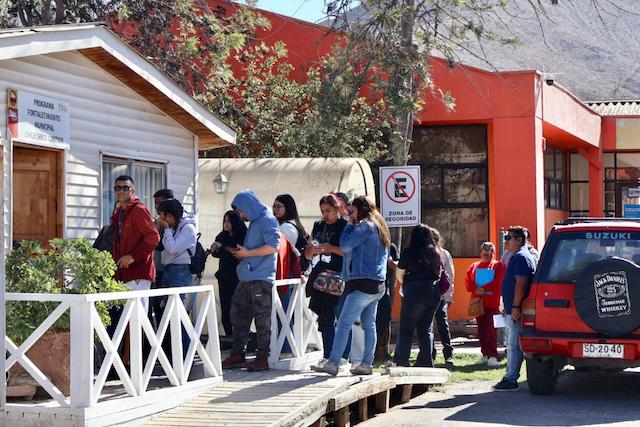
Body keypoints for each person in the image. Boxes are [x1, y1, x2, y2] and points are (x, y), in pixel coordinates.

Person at [318, 196, 390, 376]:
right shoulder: (380, 227)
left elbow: (345, 245)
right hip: (378, 284)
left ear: (361, 209)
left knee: (343, 324)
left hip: (361, 283)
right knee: (369, 325)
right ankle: (366, 364)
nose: (350, 214)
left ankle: (333, 363)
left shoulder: (364, 227)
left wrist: (349, 224)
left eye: (352, 211)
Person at [221, 190, 280, 371]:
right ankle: (238, 354)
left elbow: (274, 246)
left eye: (240, 210)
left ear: (248, 206)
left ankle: (262, 358)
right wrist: (244, 253)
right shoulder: (256, 220)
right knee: (238, 315)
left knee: (262, 320)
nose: (240, 215)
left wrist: (247, 253)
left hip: (261, 277)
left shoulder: (267, 219)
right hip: (248, 276)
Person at [306, 194, 350, 369]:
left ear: (338, 209)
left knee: (342, 318)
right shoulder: (318, 225)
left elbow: (349, 252)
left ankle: (343, 357)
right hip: (321, 277)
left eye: (328, 211)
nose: (325, 215)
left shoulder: (345, 226)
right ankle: (327, 356)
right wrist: (313, 248)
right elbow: (307, 254)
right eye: (323, 211)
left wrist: (331, 248)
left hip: (339, 276)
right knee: (325, 317)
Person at [393, 225, 445, 368]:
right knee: (425, 328)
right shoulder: (435, 252)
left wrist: (407, 285)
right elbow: (439, 273)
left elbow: (399, 274)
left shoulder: (408, 252)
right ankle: (426, 361)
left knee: (406, 328)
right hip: (433, 291)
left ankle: (402, 360)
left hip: (414, 291)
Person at [493, 226, 537, 391]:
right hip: (512, 307)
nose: (506, 241)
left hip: (517, 309)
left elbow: (521, 284)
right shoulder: (518, 256)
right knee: (511, 343)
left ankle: (511, 379)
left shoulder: (520, 257)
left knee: (513, 345)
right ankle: (510, 376)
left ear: (519, 240)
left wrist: (516, 306)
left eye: (509, 238)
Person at [111, 175, 160, 312]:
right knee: (130, 316)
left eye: (125, 188)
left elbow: (153, 237)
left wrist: (133, 256)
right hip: (125, 271)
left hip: (138, 270)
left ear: (132, 190)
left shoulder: (138, 209)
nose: (121, 191)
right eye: (117, 188)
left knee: (138, 315)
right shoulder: (121, 211)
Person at [156, 199, 197, 351]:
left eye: (163, 216)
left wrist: (166, 230)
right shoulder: (172, 228)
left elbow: (172, 248)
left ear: (170, 216)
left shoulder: (188, 228)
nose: (161, 219)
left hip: (180, 272)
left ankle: (186, 354)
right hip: (168, 270)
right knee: (169, 316)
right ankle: (175, 354)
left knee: (179, 316)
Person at [466, 242, 505, 367]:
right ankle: (485, 354)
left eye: (489, 252)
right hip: (478, 302)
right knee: (481, 329)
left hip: (492, 303)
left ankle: (493, 355)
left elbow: (498, 282)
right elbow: (468, 282)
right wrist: (475, 289)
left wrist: (482, 289)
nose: (486, 254)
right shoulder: (473, 266)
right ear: (481, 253)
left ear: (493, 253)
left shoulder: (498, 265)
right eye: (484, 252)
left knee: (491, 330)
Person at [211, 210, 247, 337]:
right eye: (225, 221)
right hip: (224, 277)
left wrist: (223, 248)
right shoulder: (222, 236)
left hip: (238, 277)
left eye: (229, 221)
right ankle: (228, 336)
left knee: (239, 308)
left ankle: (239, 337)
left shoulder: (243, 236)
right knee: (225, 308)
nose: (226, 224)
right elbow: (216, 252)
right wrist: (217, 248)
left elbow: (238, 254)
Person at [431, 228, 455, 366]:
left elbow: (450, 276)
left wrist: (449, 297)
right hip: (427, 295)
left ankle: (448, 354)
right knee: (427, 326)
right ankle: (430, 353)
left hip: (441, 295)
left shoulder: (444, 254)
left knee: (442, 324)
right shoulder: (424, 253)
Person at [374, 243, 399, 361]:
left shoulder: (390, 247)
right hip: (366, 287)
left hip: (384, 288)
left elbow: (398, 267)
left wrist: (390, 262)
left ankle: (381, 350)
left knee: (383, 320)